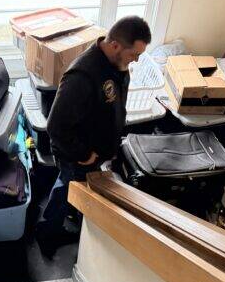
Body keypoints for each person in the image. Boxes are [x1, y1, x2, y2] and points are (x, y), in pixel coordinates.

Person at [35, 15, 151, 258]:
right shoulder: (83, 75)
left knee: (71, 188)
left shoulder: (117, 65)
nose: (136, 60)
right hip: (77, 153)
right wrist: (84, 154)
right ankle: (47, 234)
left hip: (95, 150)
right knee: (66, 189)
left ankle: (63, 221)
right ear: (115, 45)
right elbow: (55, 126)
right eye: (134, 54)